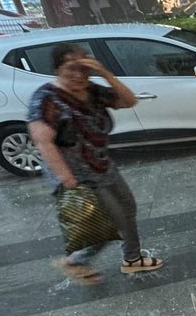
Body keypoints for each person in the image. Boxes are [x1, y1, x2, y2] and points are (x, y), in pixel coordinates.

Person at [27, 43, 163, 283]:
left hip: (101, 165)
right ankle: (74, 262)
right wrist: (67, 180)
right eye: (71, 68)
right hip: (77, 176)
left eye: (84, 69)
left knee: (128, 208)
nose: (79, 75)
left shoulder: (93, 91)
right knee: (109, 220)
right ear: (57, 69)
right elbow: (43, 141)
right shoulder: (46, 98)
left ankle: (132, 259)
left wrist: (105, 73)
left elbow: (128, 101)